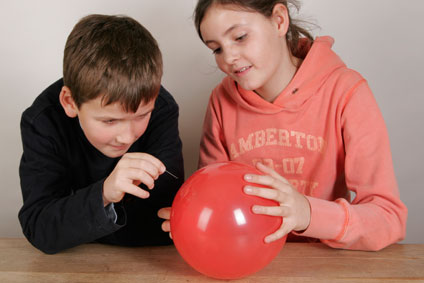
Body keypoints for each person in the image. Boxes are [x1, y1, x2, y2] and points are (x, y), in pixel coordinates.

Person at [159, 0, 407, 251]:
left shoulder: (346, 92)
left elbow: (388, 219)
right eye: (217, 49)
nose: (229, 58)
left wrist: (307, 213)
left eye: (240, 37)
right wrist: (193, 218)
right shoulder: (221, 100)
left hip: (325, 263)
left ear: (279, 20)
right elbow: (216, 201)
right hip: (250, 262)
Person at [19, 14, 184, 254]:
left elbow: (166, 217)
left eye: (141, 116)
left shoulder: (163, 108)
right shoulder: (42, 122)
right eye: (109, 120)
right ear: (70, 102)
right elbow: (40, 229)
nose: (127, 137)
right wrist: (104, 193)